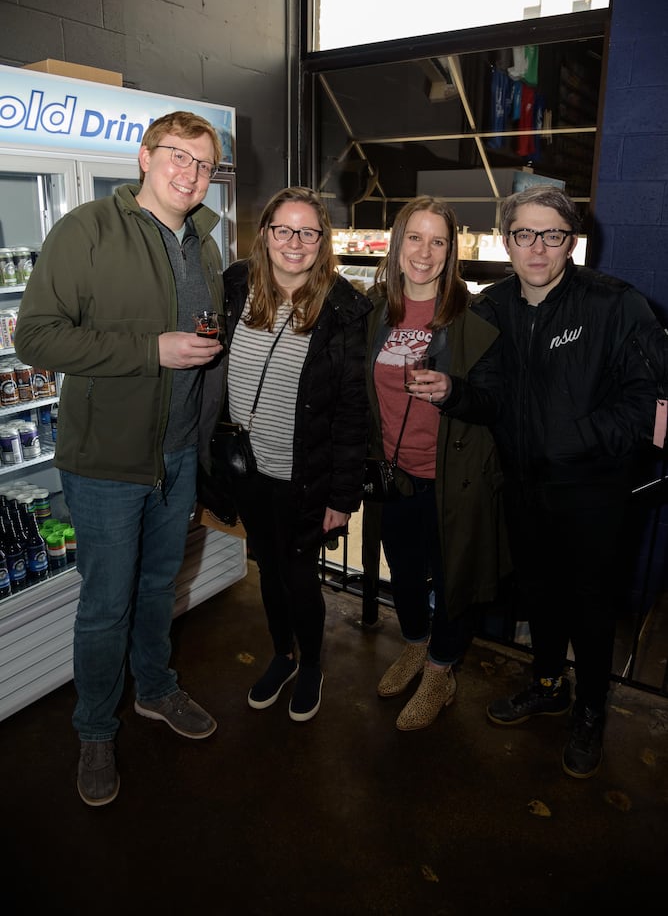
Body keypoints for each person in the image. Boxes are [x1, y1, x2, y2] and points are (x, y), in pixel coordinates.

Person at [14, 111, 226, 806]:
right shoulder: (87, 230)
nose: (190, 174)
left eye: (204, 164)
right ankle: (96, 731)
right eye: (177, 156)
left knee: (158, 589)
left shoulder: (205, 245)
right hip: (105, 464)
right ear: (143, 157)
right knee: (105, 605)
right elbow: (37, 340)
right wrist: (149, 349)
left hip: (177, 456)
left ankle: (156, 691)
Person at [439, 184, 668, 778]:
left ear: (572, 243)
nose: (537, 249)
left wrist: (575, 442)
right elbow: (489, 399)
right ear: (506, 239)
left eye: (552, 235)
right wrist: (453, 394)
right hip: (523, 487)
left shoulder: (616, 306)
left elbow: (647, 404)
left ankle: (590, 708)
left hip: (594, 491)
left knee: (591, 607)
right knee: (537, 592)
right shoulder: (492, 308)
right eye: (524, 234)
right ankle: (548, 685)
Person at [221, 186, 371, 722]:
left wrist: (343, 495)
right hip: (244, 465)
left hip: (303, 474)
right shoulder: (237, 284)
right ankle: (282, 655)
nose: (295, 242)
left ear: (322, 241)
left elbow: (355, 412)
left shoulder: (346, 309)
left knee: (299, 574)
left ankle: (311, 664)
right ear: (265, 234)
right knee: (266, 568)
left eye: (308, 232)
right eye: (284, 229)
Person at [365, 195, 510, 731]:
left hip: (453, 482)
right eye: (415, 238)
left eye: (439, 241)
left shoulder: (472, 319)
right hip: (395, 477)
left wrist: (453, 390)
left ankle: (439, 671)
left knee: (452, 583)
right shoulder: (376, 311)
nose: (425, 252)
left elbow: (495, 403)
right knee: (402, 572)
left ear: (452, 252)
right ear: (397, 244)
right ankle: (414, 645)